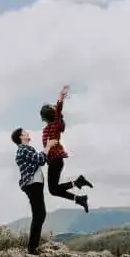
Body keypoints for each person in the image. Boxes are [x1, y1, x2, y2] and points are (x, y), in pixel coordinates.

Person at [40, 84, 93, 212]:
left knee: (53, 190)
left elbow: (58, 111)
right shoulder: (48, 129)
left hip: (56, 161)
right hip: (53, 162)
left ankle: (79, 189)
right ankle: (79, 194)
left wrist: (61, 98)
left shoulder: (54, 126)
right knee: (53, 190)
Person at [11, 127, 56, 255]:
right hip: (32, 184)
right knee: (39, 214)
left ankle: (33, 246)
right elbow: (39, 159)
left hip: (35, 184)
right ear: (20, 137)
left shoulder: (27, 149)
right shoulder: (23, 150)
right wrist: (47, 147)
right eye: (25, 132)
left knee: (39, 214)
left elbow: (40, 160)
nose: (28, 133)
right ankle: (32, 247)